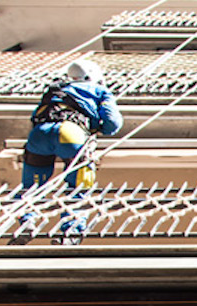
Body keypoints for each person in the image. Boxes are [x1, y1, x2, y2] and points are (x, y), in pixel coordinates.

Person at [9, 59, 122, 245]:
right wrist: (100, 128)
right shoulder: (99, 90)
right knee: (77, 188)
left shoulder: (55, 89)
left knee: (31, 186)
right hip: (71, 133)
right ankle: (70, 232)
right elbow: (112, 123)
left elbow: (35, 115)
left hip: (39, 134)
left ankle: (26, 222)